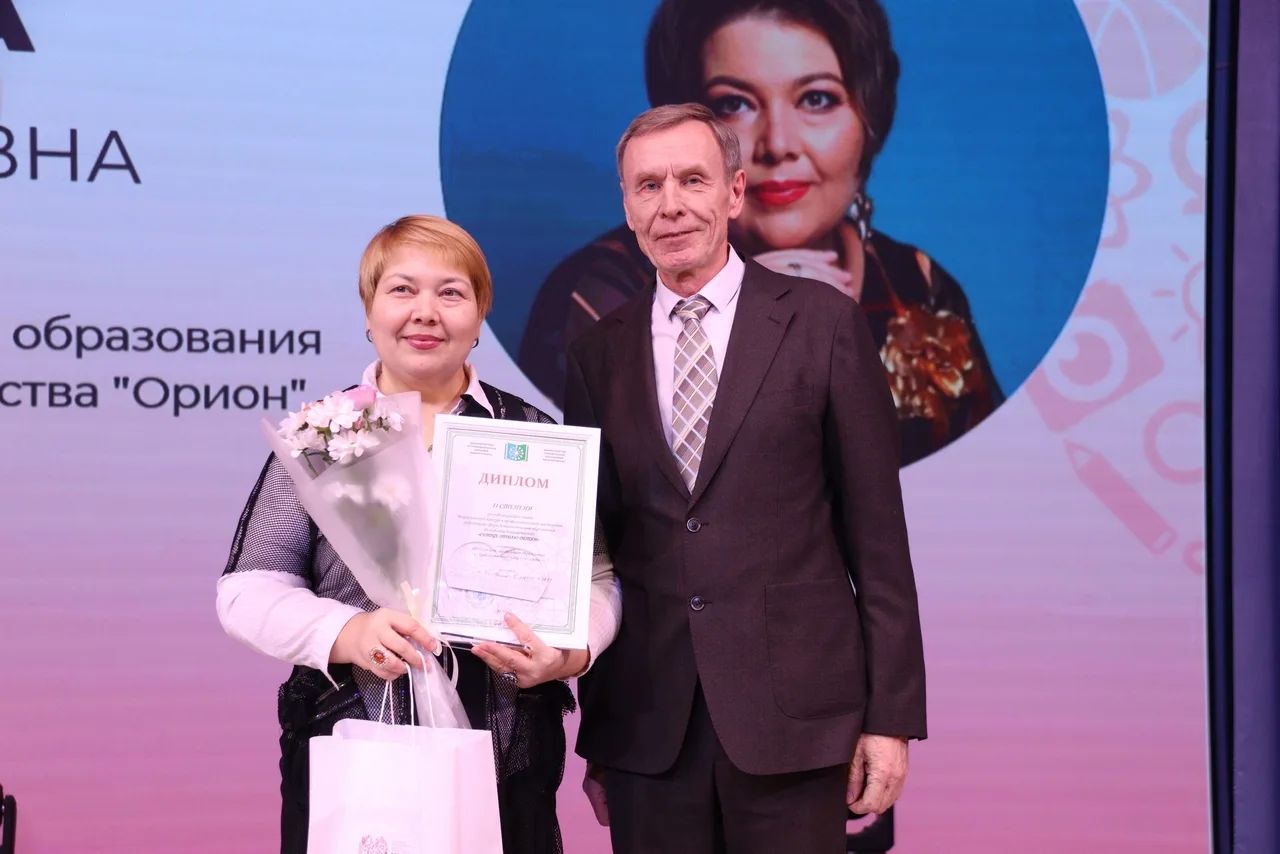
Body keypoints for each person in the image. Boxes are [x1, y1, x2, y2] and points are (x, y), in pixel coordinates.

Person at [563, 103, 927, 853]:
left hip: (797, 723)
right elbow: (597, 554)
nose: (670, 205)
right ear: (626, 206)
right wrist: (600, 732)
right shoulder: (598, 350)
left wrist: (889, 719)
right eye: (648, 186)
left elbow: (878, 542)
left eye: (692, 180)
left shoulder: (824, 323)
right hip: (648, 728)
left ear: (733, 192)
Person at [216, 215, 622, 854]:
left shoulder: (532, 435)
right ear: (369, 309)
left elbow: (597, 578)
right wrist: (348, 632)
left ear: (480, 314)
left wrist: (572, 653)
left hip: (505, 750)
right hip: (353, 748)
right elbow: (247, 589)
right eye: (402, 289)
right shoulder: (327, 435)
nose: (425, 312)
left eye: (451, 292)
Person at [521, 0, 1002, 467]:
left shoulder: (917, 282)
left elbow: (978, 481)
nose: (778, 144)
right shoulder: (601, 294)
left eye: (816, 99)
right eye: (734, 104)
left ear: (870, 117)